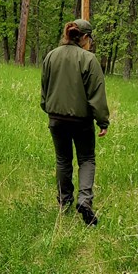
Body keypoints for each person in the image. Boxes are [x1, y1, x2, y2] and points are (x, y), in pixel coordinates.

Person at [40, 18, 110, 225]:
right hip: (81, 121)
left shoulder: (51, 56)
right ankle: (85, 201)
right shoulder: (89, 59)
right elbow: (97, 95)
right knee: (87, 159)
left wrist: (49, 109)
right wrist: (102, 122)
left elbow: (44, 90)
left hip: (56, 119)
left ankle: (64, 202)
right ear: (85, 37)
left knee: (63, 160)